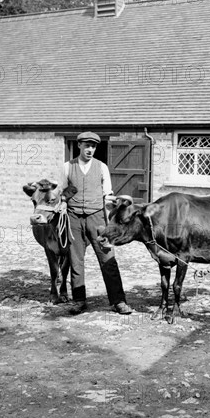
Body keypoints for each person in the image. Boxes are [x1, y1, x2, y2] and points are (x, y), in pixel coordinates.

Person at [60, 132, 133, 315]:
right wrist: (62, 204)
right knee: (76, 261)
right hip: (74, 219)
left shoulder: (102, 167)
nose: (90, 149)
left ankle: (118, 301)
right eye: (86, 146)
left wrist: (112, 205)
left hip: (97, 219)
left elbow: (107, 194)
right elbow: (63, 193)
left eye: (93, 146)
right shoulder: (67, 167)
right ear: (79, 146)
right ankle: (79, 300)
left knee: (108, 259)